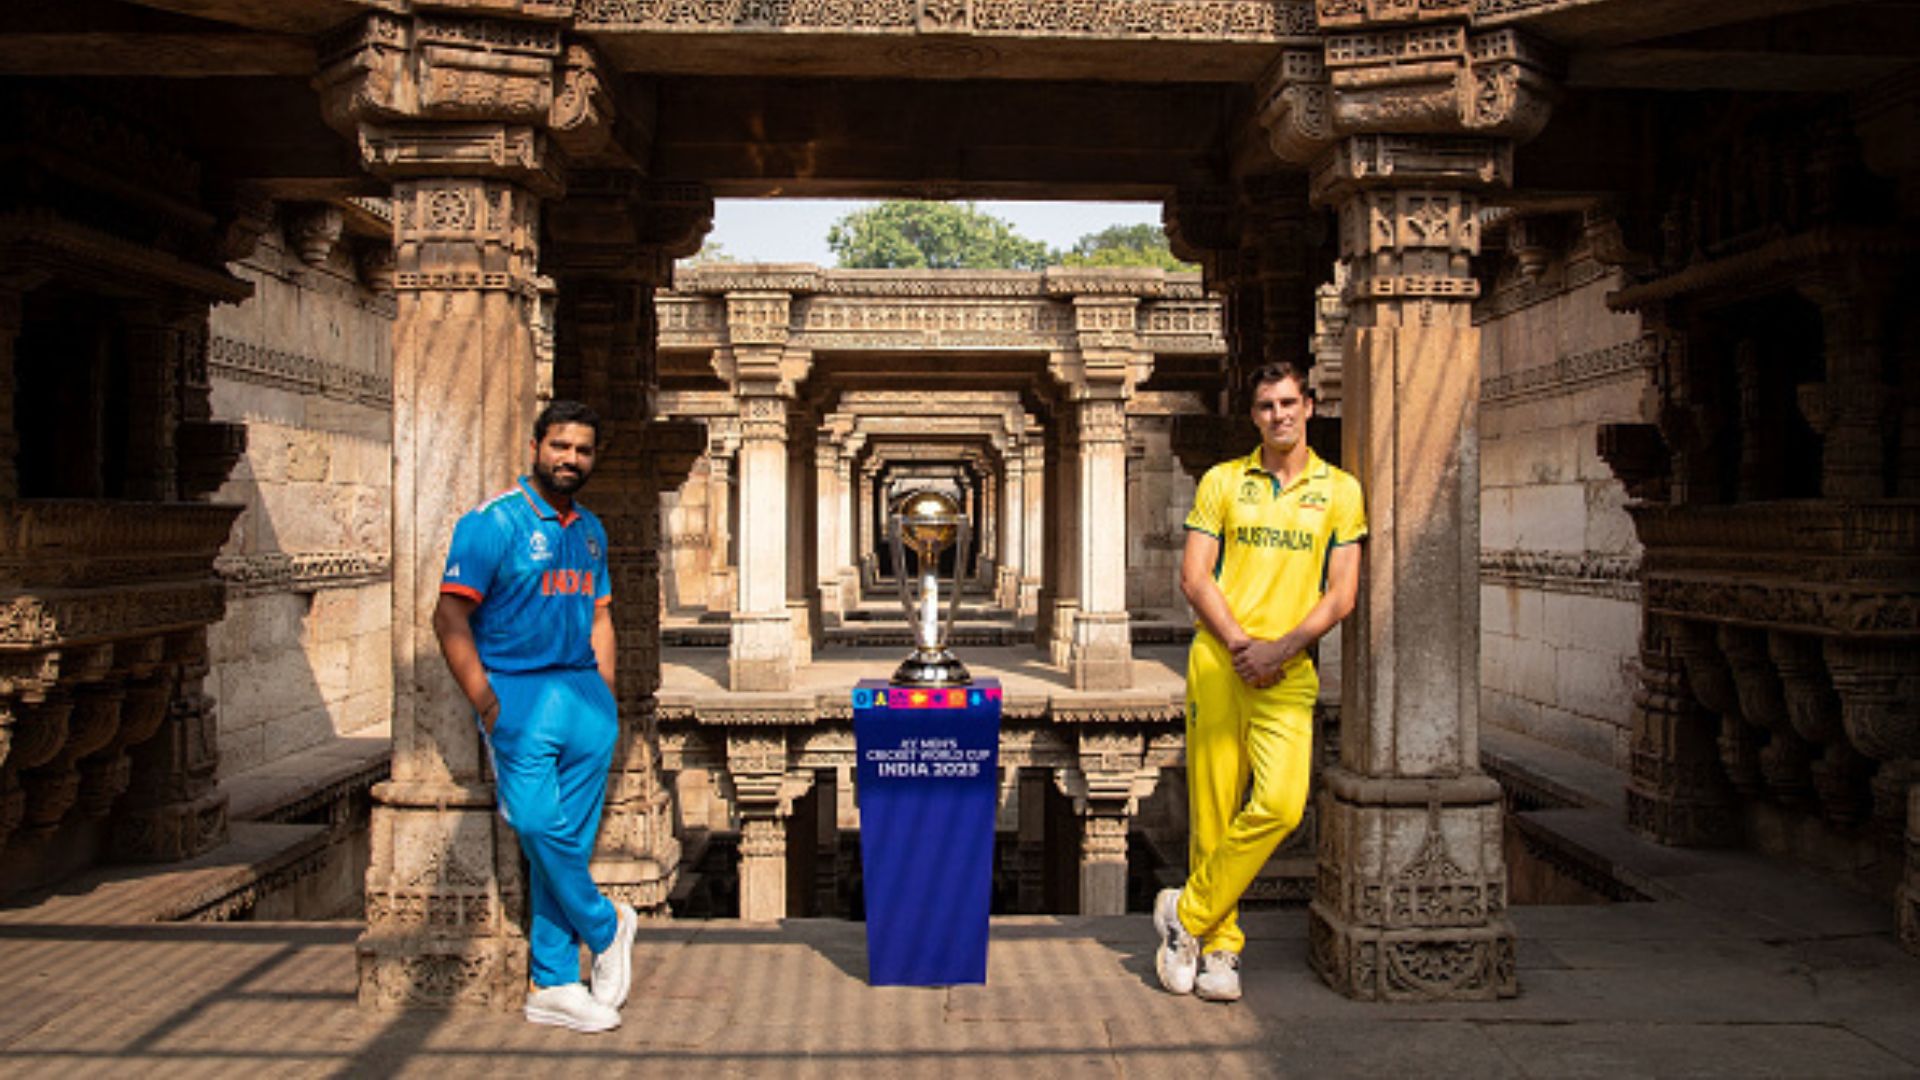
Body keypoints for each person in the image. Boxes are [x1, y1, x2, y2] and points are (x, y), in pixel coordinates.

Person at [1154, 362, 1366, 1003]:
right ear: (1254, 416)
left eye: (1289, 402)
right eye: (1267, 405)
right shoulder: (1224, 481)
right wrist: (1243, 645)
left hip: (1290, 668)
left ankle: (1186, 914)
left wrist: (1282, 648)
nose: (1280, 415)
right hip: (1221, 660)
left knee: (1280, 804)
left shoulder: (1340, 491)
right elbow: (1195, 578)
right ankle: (1220, 948)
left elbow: (1342, 595)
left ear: (1309, 406)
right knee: (1214, 807)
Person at [434, 399, 638, 1033]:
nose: (570, 459)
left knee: (567, 839)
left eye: (582, 450)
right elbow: (449, 616)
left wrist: (605, 696)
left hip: (583, 699)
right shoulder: (493, 523)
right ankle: (606, 925)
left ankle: (553, 983)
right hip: (519, 697)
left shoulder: (590, 530)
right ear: (535, 448)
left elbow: (600, 615)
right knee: (533, 819)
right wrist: (486, 701)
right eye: (560, 446)